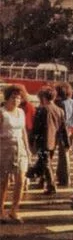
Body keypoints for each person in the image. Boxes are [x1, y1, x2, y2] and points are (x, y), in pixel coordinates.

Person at [0, 85, 32, 223]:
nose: (16, 100)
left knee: (21, 180)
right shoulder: (2, 113)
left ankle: (14, 210)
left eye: (19, 98)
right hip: (4, 147)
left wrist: (28, 148)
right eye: (13, 97)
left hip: (20, 147)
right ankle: (1, 211)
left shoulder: (21, 112)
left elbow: (23, 131)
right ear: (7, 98)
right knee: (3, 181)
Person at [30, 86, 67, 196]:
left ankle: (51, 186)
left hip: (42, 141)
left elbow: (36, 127)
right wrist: (66, 142)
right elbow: (63, 127)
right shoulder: (59, 110)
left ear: (43, 97)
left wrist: (31, 140)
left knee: (45, 162)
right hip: (53, 141)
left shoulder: (42, 110)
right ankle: (41, 181)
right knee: (46, 161)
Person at [55, 82, 73, 187]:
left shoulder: (61, 104)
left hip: (65, 130)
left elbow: (63, 120)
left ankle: (65, 178)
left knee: (63, 155)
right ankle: (61, 175)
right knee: (65, 154)